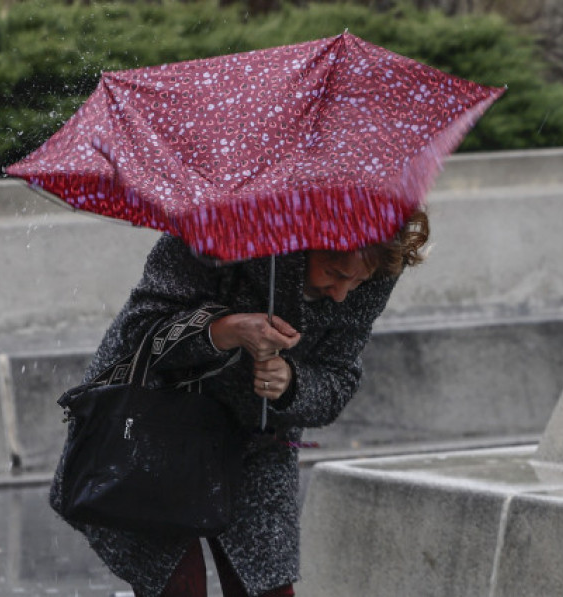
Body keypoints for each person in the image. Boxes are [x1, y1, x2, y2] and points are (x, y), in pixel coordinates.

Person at [51, 210, 430, 597]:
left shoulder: (379, 266)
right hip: (154, 422)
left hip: (255, 435)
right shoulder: (218, 226)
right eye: (333, 273)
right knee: (178, 586)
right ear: (307, 242)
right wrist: (225, 331)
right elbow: (141, 328)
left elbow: (339, 374)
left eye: (358, 281)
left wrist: (292, 383)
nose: (341, 294)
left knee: (268, 588)